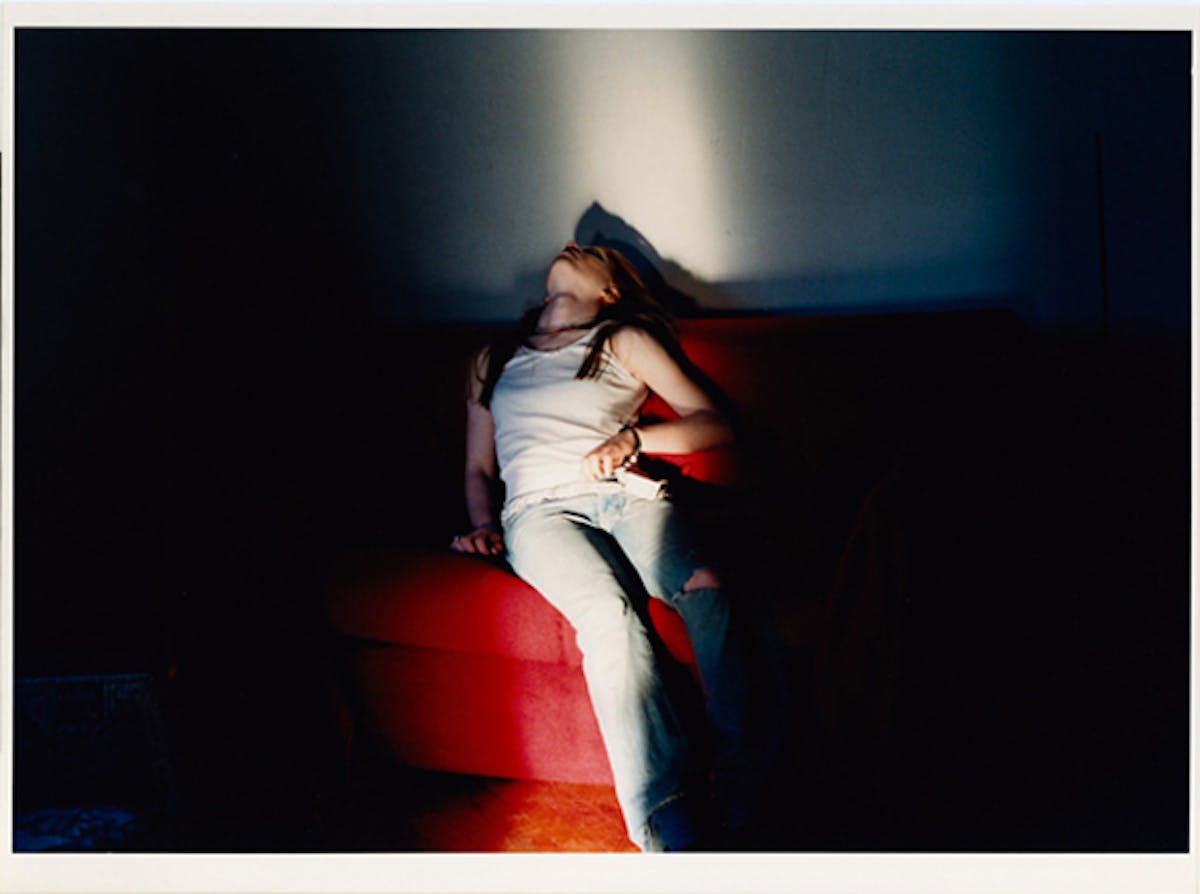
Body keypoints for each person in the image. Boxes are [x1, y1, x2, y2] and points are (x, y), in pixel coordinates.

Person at [450, 242, 750, 852]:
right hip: (538, 512)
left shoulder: (622, 338)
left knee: (707, 585)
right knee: (610, 617)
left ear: (610, 291)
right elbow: (479, 468)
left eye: (591, 252)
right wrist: (483, 524)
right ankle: (666, 824)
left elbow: (713, 422)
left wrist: (633, 439)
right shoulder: (493, 357)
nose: (573, 245)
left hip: (623, 494)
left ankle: (743, 780)